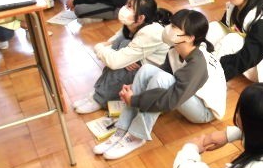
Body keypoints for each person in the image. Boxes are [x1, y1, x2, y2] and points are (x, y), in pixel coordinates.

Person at [93, 10, 227, 159]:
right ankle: (122, 129)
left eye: (175, 27)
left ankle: (137, 136)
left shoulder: (197, 64)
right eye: (171, 24)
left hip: (204, 111)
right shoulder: (175, 49)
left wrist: (134, 100)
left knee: (163, 79)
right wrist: (135, 86)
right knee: (146, 69)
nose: (168, 28)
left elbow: (171, 99)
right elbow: (162, 72)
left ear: (190, 38)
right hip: (186, 95)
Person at [73, 0, 171, 114]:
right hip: (141, 60)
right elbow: (113, 42)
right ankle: (99, 92)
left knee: (119, 60)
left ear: (141, 18)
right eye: (126, 4)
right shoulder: (133, 24)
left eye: (130, 7)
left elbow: (114, 61)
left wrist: (99, 47)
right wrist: (110, 50)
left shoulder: (151, 32)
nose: (124, 8)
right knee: (121, 45)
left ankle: (99, 98)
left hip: (154, 72)